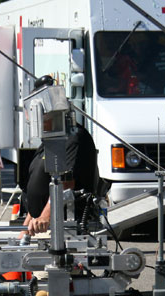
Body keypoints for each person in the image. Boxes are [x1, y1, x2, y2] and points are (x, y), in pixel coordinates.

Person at [22, 77, 101, 236]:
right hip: (42, 224)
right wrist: (25, 228)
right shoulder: (50, 140)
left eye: (36, 114)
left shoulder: (73, 138)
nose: (33, 121)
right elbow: (41, 187)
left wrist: (46, 215)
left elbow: (65, 184)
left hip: (65, 223)